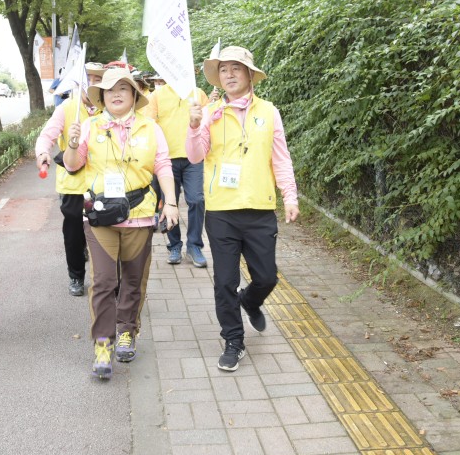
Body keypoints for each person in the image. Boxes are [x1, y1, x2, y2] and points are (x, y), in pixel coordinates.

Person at [187, 46, 299, 372]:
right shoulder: (209, 113)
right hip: (221, 210)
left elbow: (280, 158)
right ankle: (233, 341)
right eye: (224, 70)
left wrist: (289, 196)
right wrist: (194, 127)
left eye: (237, 68)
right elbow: (195, 155)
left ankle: (250, 300)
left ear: (250, 75)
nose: (230, 74)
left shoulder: (269, 111)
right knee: (224, 280)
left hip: (260, 208)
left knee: (266, 276)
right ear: (218, 78)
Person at [63, 68, 180, 380]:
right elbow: (73, 166)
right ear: (101, 97)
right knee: (103, 281)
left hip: (139, 213)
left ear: (133, 96)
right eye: (109, 90)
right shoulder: (89, 126)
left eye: (123, 89)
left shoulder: (150, 127)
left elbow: (163, 165)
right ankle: (103, 343)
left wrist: (170, 202)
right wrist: (72, 145)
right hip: (100, 215)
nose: (115, 94)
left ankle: (127, 330)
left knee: (133, 279)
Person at [34, 62, 107, 297]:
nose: (94, 84)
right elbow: (47, 135)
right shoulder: (68, 108)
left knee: (105, 232)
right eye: (90, 79)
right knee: (74, 234)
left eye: (98, 79)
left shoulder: (110, 109)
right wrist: (43, 152)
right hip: (73, 184)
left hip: (103, 184)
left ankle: (107, 280)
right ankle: (76, 276)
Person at [142, 73, 209, 267]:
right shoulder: (157, 95)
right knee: (169, 203)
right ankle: (174, 246)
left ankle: (194, 246)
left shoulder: (198, 93)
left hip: (193, 158)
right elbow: (149, 124)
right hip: (166, 160)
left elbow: (207, 124)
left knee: (197, 200)